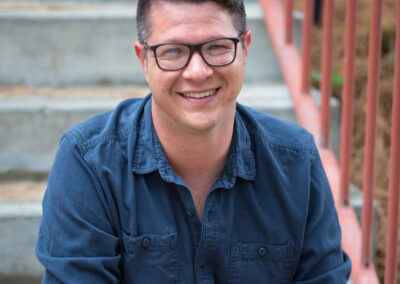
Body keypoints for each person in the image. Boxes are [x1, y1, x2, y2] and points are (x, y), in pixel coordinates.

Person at [36, 0, 351, 282]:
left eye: (216, 47)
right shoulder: (88, 163)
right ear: (143, 59)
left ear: (245, 48)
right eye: (173, 51)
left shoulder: (297, 162)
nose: (198, 72)